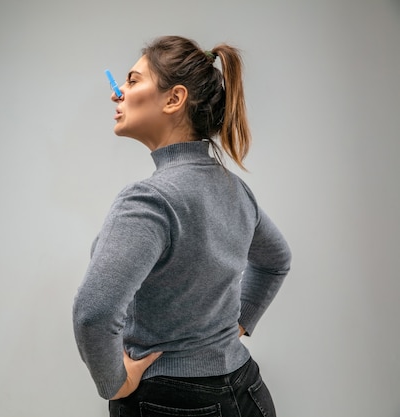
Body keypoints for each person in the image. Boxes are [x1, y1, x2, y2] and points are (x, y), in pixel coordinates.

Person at [72, 35, 292, 417]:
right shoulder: (234, 188)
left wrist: (115, 384)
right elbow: (276, 260)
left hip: (172, 404)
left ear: (174, 99)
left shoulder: (149, 199)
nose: (117, 93)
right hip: (248, 391)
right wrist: (238, 326)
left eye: (133, 80)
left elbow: (93, 312)